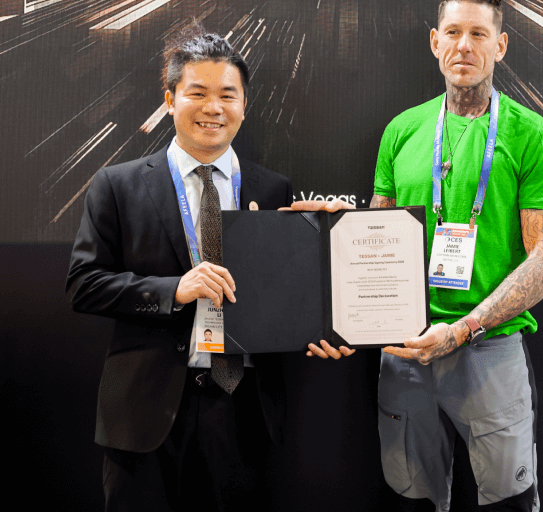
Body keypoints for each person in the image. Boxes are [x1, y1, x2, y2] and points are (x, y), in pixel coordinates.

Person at [66, 32, 349, 512]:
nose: (213, 108)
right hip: (147, 412)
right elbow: (83, 285)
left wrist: (322, 309)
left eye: (227, 95)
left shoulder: (274, 189)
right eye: (197, 93)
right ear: (169, 100)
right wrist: (175, 290)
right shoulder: (117, 184)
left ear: (244, 106)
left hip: (244, 412)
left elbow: (286, 295)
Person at [370, 0, 543, 511]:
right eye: (453, 32)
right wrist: (328, 229)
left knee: (509, 501)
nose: (464, 45)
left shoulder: (533, 135)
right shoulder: (401, 131)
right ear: (435, 42)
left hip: (490, 351)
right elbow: (374, 239)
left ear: (499, 46)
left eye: (479, 34)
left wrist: (462, 329)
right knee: (410, 499)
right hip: (405, 351)